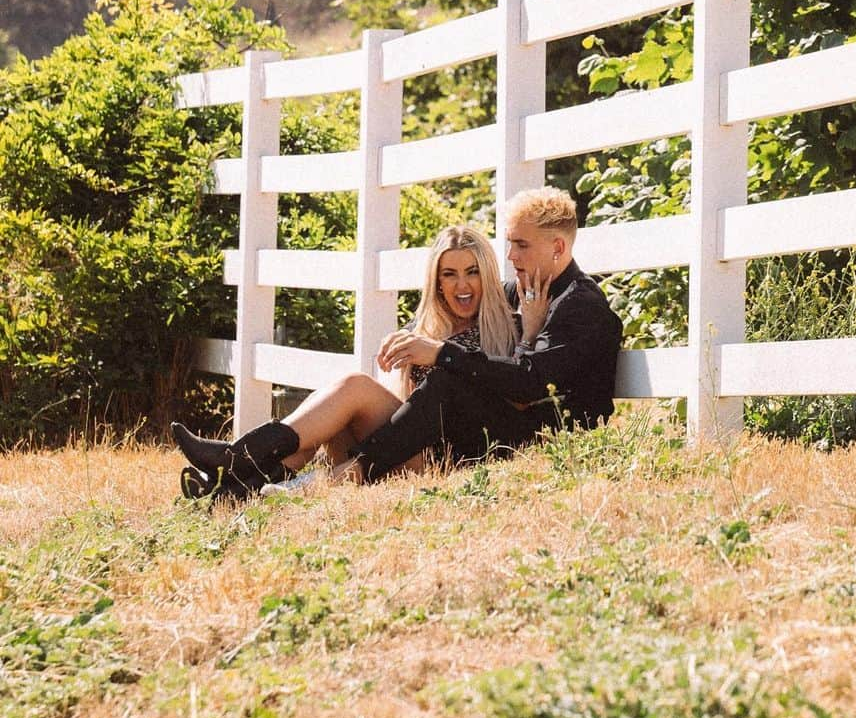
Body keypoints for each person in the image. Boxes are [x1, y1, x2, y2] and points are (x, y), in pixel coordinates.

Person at [174, 187, 623, 497]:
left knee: (449, 380)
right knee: (354, 386)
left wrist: (444, 353)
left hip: (520, 446)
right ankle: (237, 470)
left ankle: (305, 484)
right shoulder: (522, 293)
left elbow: (530, 386)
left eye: (520, 246)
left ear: (558, 249)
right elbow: (465, 307)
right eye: (509, 245)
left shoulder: (579, 306)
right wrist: (419, 339)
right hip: (466, 430)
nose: (510, 257)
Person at [172, 224, 516, 500]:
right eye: (449, 274)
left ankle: (234, 462)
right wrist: (403, 363)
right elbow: (400, 405)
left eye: (472, 272)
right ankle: (229, 489)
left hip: (441, 460)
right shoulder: (423, 329)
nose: (462, 285)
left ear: (486, 274)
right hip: (392, 448)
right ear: (437, 282)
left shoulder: (506, 331)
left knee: (355, 386)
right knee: (337, 411)